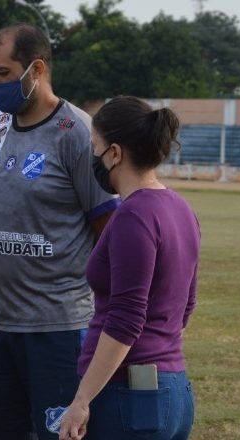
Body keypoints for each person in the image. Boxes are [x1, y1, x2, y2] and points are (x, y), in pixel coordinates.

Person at [0, 24, 121, 440]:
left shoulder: (77, 132)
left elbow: (109, 232)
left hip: (60, 327)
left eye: (3, 73)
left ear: (36, 69)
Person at [59, 97, 200, 440]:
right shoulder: (181, 208)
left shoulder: (133, 216)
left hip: (129, 395)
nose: (93, 156)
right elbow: (186, 305)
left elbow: (125, 319)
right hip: (174, 390)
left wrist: (82, 400)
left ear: (115, 153)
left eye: (96, 147)